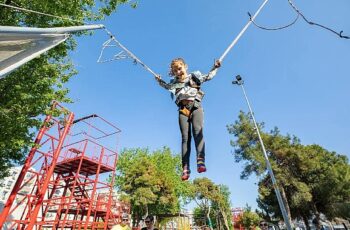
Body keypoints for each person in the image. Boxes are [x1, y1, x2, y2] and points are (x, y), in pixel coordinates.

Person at [155, 58, 221, 180]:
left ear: (185, 66)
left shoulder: (194, 77)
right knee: (185, 138)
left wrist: (215, 67)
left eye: (179, 68)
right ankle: (185, 167)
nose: (178, 72)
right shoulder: (174, 83)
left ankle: (200, 160)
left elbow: (208, 77)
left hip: (196, 106)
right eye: (175, 71)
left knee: (198, 131)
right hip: (183, 109)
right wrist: (159, 81)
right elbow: (166, 86)